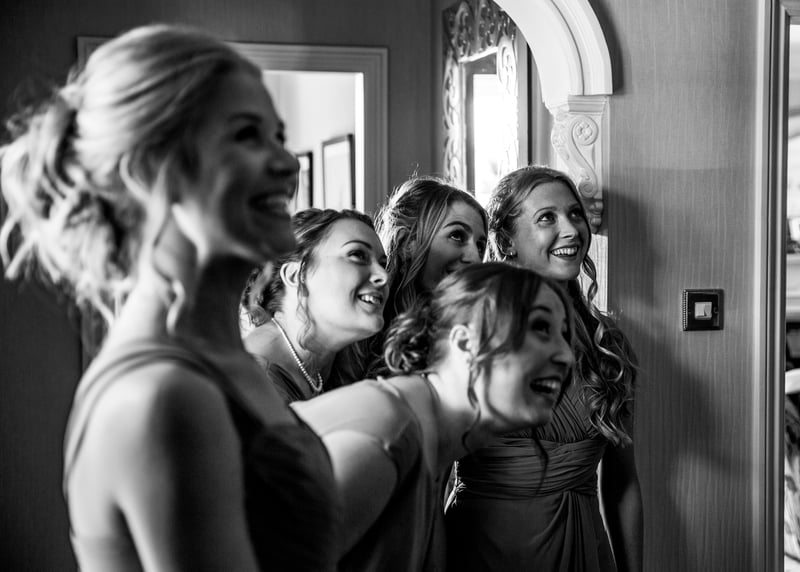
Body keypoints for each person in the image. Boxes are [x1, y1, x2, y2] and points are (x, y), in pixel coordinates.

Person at [0, 24, 339, 571]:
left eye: (278, 135)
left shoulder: (224, 358)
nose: (287, 161)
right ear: (150, 170)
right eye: (247, 135)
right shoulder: (164, 397)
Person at [294, 262, 575, 571]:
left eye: (564, 334)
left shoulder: (429, 447)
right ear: (466, 343)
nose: (567, 355)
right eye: (540, 327)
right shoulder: (386, 437)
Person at [445, 165, 643, 571]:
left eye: (575, 214)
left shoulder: (607, 344)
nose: (571, 230)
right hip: (483, 552)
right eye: (547, 218)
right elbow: (430, 479)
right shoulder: (469, 335)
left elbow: (623, 482)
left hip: (585, 552)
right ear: (506, 241)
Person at [241, 208, 388, 402]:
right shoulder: (255, 381)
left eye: (383, 264)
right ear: (296, 275)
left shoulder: (311, 372)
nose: (383, 276)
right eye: (357, 255)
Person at [367, 175, 487, 374]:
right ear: (407, 243)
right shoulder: (363, 329)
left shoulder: (480, 337)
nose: (475, 258)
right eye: (457, 236)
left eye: (480, 246)